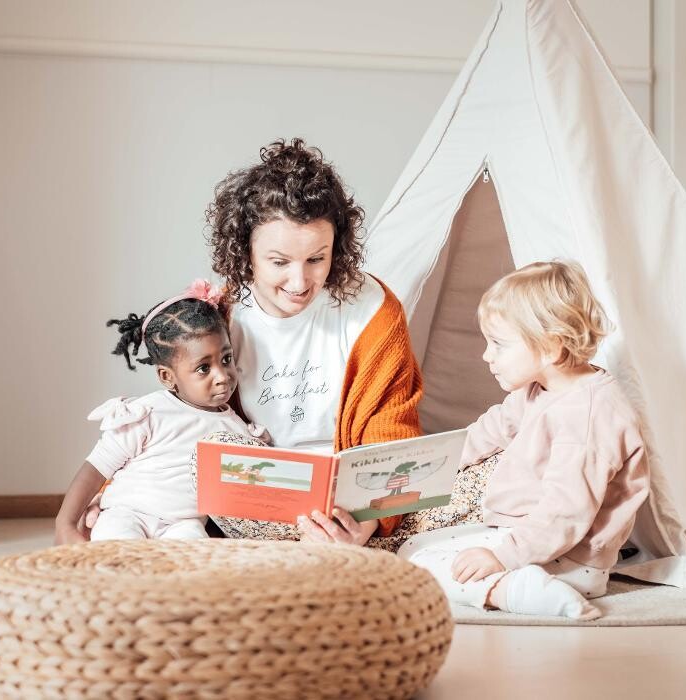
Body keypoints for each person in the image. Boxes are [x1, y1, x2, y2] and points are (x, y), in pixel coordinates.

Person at [397, 261, 651, 619]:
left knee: (420, 564)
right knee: (415, 549)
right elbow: (485, 433)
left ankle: (512, 590)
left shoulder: (590, 415)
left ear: (549, 347)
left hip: (566, 556)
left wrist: (503, 557)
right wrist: (426, 466)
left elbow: (566, 512)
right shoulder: (539, 390)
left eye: (498, 344)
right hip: (525, 536)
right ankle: (518, 582)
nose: (487, 355)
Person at [204, 137, 424, 545]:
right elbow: (182, 415)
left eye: (316, 259)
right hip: (262, 497)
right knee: (197, 459)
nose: (300, 282)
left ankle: (345, 545)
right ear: (245, 252)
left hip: (355, 501)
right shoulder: (222, 314)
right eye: (279, 262)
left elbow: (391, 426)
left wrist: (366, 522)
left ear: (336, 250)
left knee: (498, 468)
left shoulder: (375, 310)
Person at [55, 280, 262, 545]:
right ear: (167, 376)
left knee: (195, 552)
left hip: (183, 524)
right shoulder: (150, 413)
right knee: (117, 545)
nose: (222, 376)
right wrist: (66, 523)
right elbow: (96, 468)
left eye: (226, 359)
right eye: (203, 368)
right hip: (128, 513)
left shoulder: (237, 430)